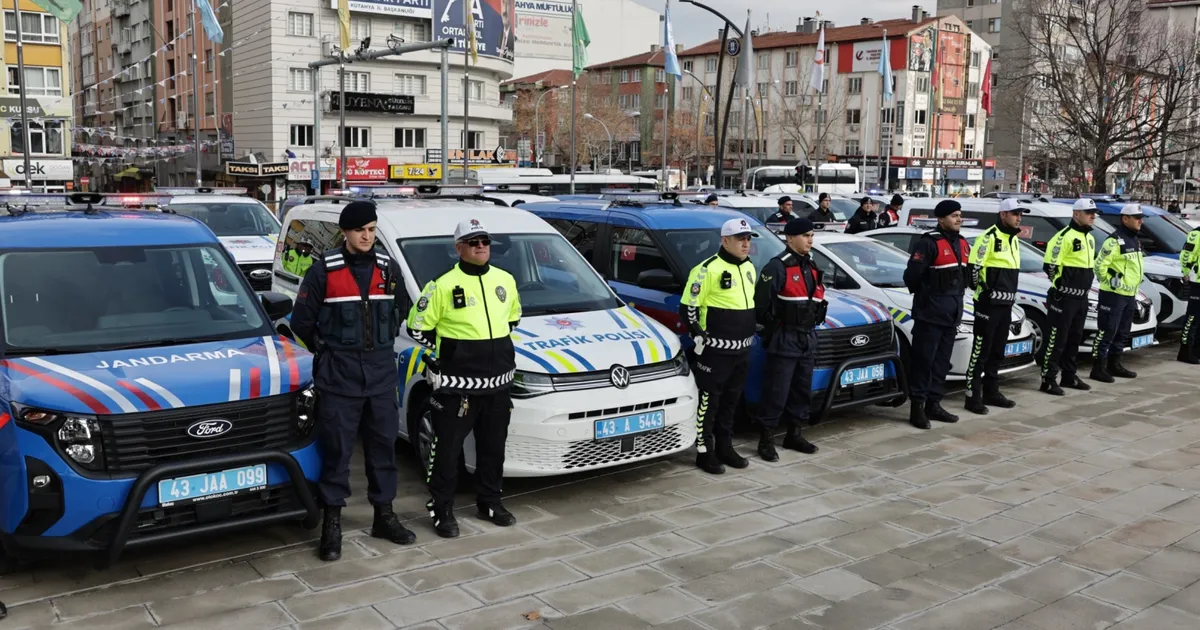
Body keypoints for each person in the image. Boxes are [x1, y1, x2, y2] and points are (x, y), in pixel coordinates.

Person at [291, 200, 415, 562]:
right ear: (345, 232)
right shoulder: (322, 272)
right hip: (339, 378)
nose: (367, 235)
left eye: (372, 229)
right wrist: (328, 353)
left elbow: (401, 312)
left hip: (379, 376)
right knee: (338, 454)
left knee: (383, 450)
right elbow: (301, 323)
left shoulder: (387, 269)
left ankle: (384, 516)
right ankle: (332, 524)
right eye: (360, 229)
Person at [407, 218, 522, 539]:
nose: (481, 247)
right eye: (473, 242)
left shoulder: (506, 280)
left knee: (493, 448)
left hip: (499, 384)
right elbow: (418, 327)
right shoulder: (442, 285)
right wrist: (452, 354)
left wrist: (490, 351)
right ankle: (441, 510)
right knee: (446, 451)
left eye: (485, 241)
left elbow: (512, 319)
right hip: (457, 387)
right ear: (459, 248)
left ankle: (489, 502)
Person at [679, 218, 758, 473]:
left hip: (742, 349)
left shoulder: (749, 268)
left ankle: (725, 446)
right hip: (715, 352)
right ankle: (705, 451)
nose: (746, 244)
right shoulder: (706, 269)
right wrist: (700, 337)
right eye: (740, 239)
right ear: (725, 240)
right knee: (709, 402)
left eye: (748, 239)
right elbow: (689, 307)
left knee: (732, 402)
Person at [755, 217, 826, 457]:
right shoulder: (777, 266)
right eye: (806, 236)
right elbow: (762, 305)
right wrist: (774, 329)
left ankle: (794, 434)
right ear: (790, 238)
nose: (810, 240)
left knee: (801, 390)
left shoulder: (811, 265)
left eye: (811, 236)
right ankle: (766, 439)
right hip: (785, 337)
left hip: (807, 337)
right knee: (777, 391)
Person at [902, 200, 969, 429]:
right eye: (954, 216)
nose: (959, 219)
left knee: (941, 363)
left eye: (960, 215)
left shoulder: (962, 243)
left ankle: (934, 404)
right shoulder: (929, 243)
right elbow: (911, 276)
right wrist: (928, 297)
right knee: (924, 362)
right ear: (941, 219)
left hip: (951, 315)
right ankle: (917, 408)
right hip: (930, 315)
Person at [964, 197, 1025, 414]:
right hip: (988, 306)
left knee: (997, 351)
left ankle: (992, 391)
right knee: (981, 351)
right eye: (1015, 213)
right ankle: (972, 396)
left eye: (1021, 214)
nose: (1019, 218)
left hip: (1006, 304)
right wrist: (984, 292)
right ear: (1003, 215)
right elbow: (973, 269)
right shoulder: (988, 237)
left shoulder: (1014, 239)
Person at [1039, 199, 1099, 394]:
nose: (1093, 216)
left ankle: (1069, 376)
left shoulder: (1089, 237)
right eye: (1088, 212)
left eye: (1094, 212)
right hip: (1064, 299)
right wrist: (1061, 287)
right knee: (1057, 340)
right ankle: (1048, 380)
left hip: (1082, 298)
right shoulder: (1063, 236)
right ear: (1076, 214)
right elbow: (1050, 266)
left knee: (1074, 339)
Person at [1091, 204, 1145, 382]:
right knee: (1107, 331)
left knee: (1122, 332)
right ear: (1125, 219)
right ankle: (1098, 368)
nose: (1140, 221)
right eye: (1136, 218)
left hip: (1130, 295)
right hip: (1113, 295)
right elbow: (1099, 266)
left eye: (1141, 217)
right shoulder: (1114, 240)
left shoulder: (1134, 239)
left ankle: (1115, 365)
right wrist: (1112, 283)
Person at [1180, 222, 1200, 364]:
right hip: (1197, 282)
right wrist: (1186, 272)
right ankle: (1185, 351)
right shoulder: (1196, 234)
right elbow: (1186, 255)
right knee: (1192, 318)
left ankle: (1197, 350)